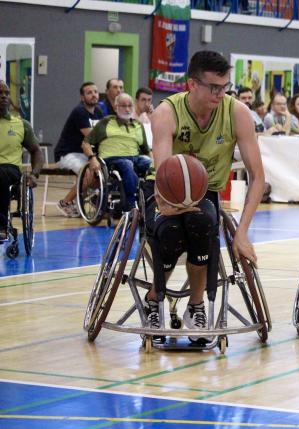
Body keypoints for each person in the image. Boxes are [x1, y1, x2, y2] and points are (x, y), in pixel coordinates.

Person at [146, 50, 265, 342]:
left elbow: (258, 177)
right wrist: (168, 203)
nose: (220, 93)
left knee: (202, 225)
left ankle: (196, 306)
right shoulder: (165, 112)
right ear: (192, 84)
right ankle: (154, 298)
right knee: (171, 231)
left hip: (205, 191)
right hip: (165, 189)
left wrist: (242, 233)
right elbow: (162, 170)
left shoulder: (236, 112)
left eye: (224, 86)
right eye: (213, 87)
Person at [83, 93, 151, 212]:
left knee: (150, 164)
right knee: (126, 164)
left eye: (130, 106)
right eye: (123, 106)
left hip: (134, 158)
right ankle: (130, 204)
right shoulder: (106, 122)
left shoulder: (138, 125)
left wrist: (154, 162)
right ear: (115, 107)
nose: (127, 109)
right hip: (112, 159)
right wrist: (92, 158)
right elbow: (86, 143)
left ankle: (150, 202)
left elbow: (146, 150)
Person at [0, 81, 44, 240]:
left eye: (6, 93)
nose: (4, 96)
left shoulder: (20, 124)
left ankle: (2, 226)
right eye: (0, 93)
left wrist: (34, 174)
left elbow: (36, 151)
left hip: (9, 170)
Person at [54, 81, 105, 217]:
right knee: (88, 173)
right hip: (67, 153)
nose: (93, 95)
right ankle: (65, 202)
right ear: (82, 97)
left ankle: (90, 201)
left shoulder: (99, 112)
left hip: (84, 153)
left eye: (95, 92)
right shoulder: (79, 112)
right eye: (89, 93)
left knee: (100, 172)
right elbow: (92, 136)